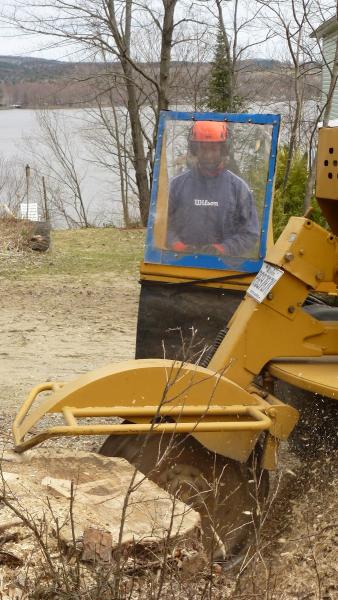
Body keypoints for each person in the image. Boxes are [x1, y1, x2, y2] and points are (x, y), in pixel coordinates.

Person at [167, 121, 259, 257]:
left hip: (225, 266)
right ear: (194, 150)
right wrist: (176, 245)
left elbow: (251, 233)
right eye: (203, 149)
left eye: (214, 149)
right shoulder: (177, 185)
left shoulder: (238, 188)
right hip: (181, 263)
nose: (208, 155)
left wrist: (224, 249)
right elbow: (162, 224)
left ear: (223, 150)